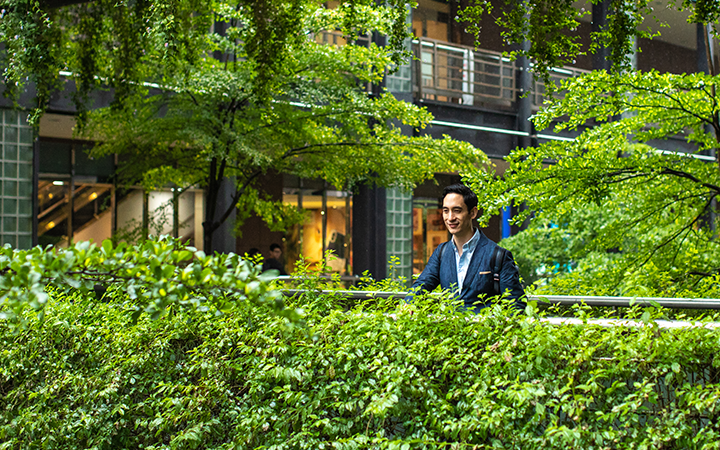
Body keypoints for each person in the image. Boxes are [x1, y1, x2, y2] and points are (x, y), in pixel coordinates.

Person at [407, 183, 525, 312]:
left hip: (485, 331)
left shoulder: (498, 256)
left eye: (457, 211)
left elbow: (515, 306)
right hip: (450, 330)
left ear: (473, 212)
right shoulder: (441, 252)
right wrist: (408, 304)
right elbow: (421, 285)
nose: (450, 218)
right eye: (446, 211)